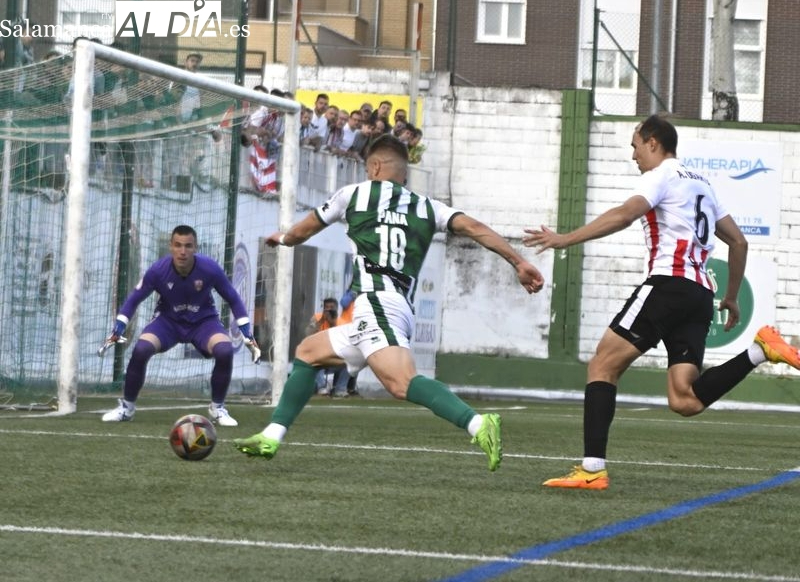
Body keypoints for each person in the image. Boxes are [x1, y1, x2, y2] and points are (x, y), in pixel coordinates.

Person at [234, 135, 545, 471]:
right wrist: (517, 262)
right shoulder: (429, 207)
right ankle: (272, 435)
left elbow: (299, 234)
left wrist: (279, 237)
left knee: (401, 383)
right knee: (308, 353)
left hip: (376, 304)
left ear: (375, 167)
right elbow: (474, 227)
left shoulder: (352, 194)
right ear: (404, 175)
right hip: (394, 306)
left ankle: (478, 424)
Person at [522, 114, 800, 490]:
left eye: (635, 145)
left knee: (603, 364)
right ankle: (761, 351)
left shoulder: (660, 176)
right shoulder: (701, 182)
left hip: (667, 287)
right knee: (685, 399)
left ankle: (592, 469)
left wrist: (564, 239)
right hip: (701, 294)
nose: (633, 154)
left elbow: (625, 215)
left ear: (653, 142)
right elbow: (739, 241)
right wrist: (731, 296)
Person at [101, 225, 261, 426]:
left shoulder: (210, 269)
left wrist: (246, 331)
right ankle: (127, 407)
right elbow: (134, 299)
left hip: (203, 321)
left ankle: (217, 407)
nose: (182, 251)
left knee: (225, 350)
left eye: (188, 246)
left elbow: (233, 299)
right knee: (141, 349)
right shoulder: (158, 271)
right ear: (171, 247)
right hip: (168, 321)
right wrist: (119, 327)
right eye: (177, 245)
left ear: (196, 247)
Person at [307, 297, 350, 397]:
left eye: (332, 307)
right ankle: (322, 387)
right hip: (319, 358)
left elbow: (341, 343)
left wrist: (333, 323)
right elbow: (307, 334)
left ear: (336, 308)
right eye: (327, 307)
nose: (329, 310)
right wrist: (322, 321)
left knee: (350, 361)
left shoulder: (343, 323)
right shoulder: (317, 318)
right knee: (315, 359)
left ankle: (340, 389)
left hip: (334, 358)